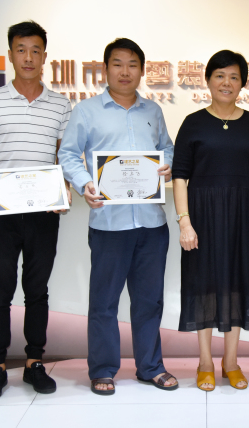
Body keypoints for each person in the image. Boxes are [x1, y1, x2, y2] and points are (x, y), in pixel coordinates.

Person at [57, 38, 178, 395]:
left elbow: (167, 148)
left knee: (149, 301)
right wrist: (85, 183)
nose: (125, 71)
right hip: (109, 223)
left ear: (142, 70)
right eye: (118, 64)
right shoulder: (86, 111)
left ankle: (150, 366)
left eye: (132, 65)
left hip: (152, 223)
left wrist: (167, 165)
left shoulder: (152, 110)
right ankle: (103, 369)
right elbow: (68, 154)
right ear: (105, 68)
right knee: (104, 302)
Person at [0, 20, 72, 402]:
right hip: (3, 211)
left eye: (35, 50)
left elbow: (64, 158)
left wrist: (64, 187)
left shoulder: (61, 105)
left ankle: (34, 363)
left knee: (37, 290)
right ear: (10, 54)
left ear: (45, 56)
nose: (28, 57)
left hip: (44, 212)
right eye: (21, 49)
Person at [173, 50, 249, 391]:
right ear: (208, 80)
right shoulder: (193, 123)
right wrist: (185, 222)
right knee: (202, 285)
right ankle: (204, 362)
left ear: (242, 83)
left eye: (234, 77)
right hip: (201, 216)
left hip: (240, 216)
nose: (226, 83)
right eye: (220, 76)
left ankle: (231, 362)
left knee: (236, 283)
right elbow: (179, 176)